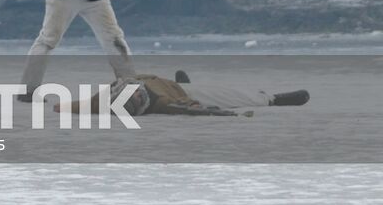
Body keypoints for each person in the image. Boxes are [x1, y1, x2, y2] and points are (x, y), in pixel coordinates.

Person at [56, 72, 310, 116]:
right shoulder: (160, 102)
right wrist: (211, 112)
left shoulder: (106, 96)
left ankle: (183, 81)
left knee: (193, 88)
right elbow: (185, 107)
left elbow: (83, 105)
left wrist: (61, 106)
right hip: (182, 93)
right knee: (231, 95)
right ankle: (274, 99)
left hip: (169, 82)